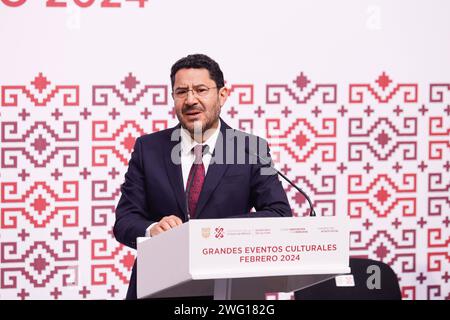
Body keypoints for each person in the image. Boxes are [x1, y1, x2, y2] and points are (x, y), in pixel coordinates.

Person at [113, 54, 292, 299]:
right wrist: (153, 228)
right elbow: (124, 221)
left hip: (231, 290)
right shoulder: (148, 149)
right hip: (159, 287)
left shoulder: (250, 149)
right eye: (181, 92)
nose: (190, 100)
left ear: (222, 95)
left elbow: (279, 215)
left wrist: (213, 233)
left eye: (200, 90)